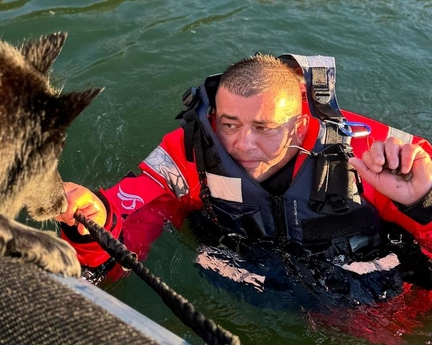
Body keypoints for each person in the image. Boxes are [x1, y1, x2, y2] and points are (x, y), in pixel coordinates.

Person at [57, 53, 432, 342]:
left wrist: (423, 202)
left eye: (263, 128)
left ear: (299, 125)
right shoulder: (187, 155)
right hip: (242, 280)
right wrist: (92, 221)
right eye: (229, 123)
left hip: (367, 289)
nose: (241, 144)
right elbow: (124, 234)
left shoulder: (377, 152)